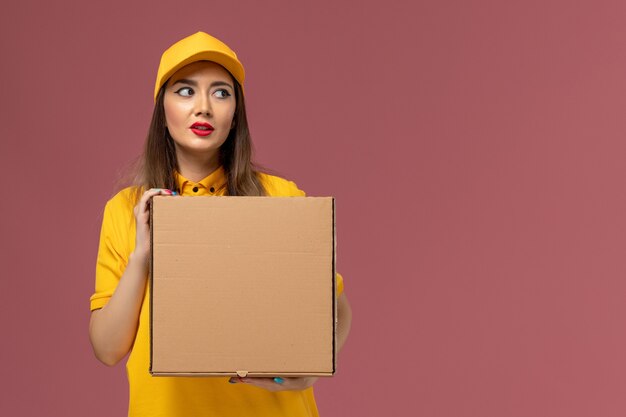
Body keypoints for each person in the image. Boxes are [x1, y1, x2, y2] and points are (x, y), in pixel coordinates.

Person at [88, 31, 352, 417]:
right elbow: (107, 348)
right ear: (162, 108)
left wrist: (317, 364)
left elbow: (337, 305)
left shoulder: (279, 197)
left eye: (221, 92)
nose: (204, 107)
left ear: (236, 113)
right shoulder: (127, 209)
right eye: (185, 91)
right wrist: (143, 254)